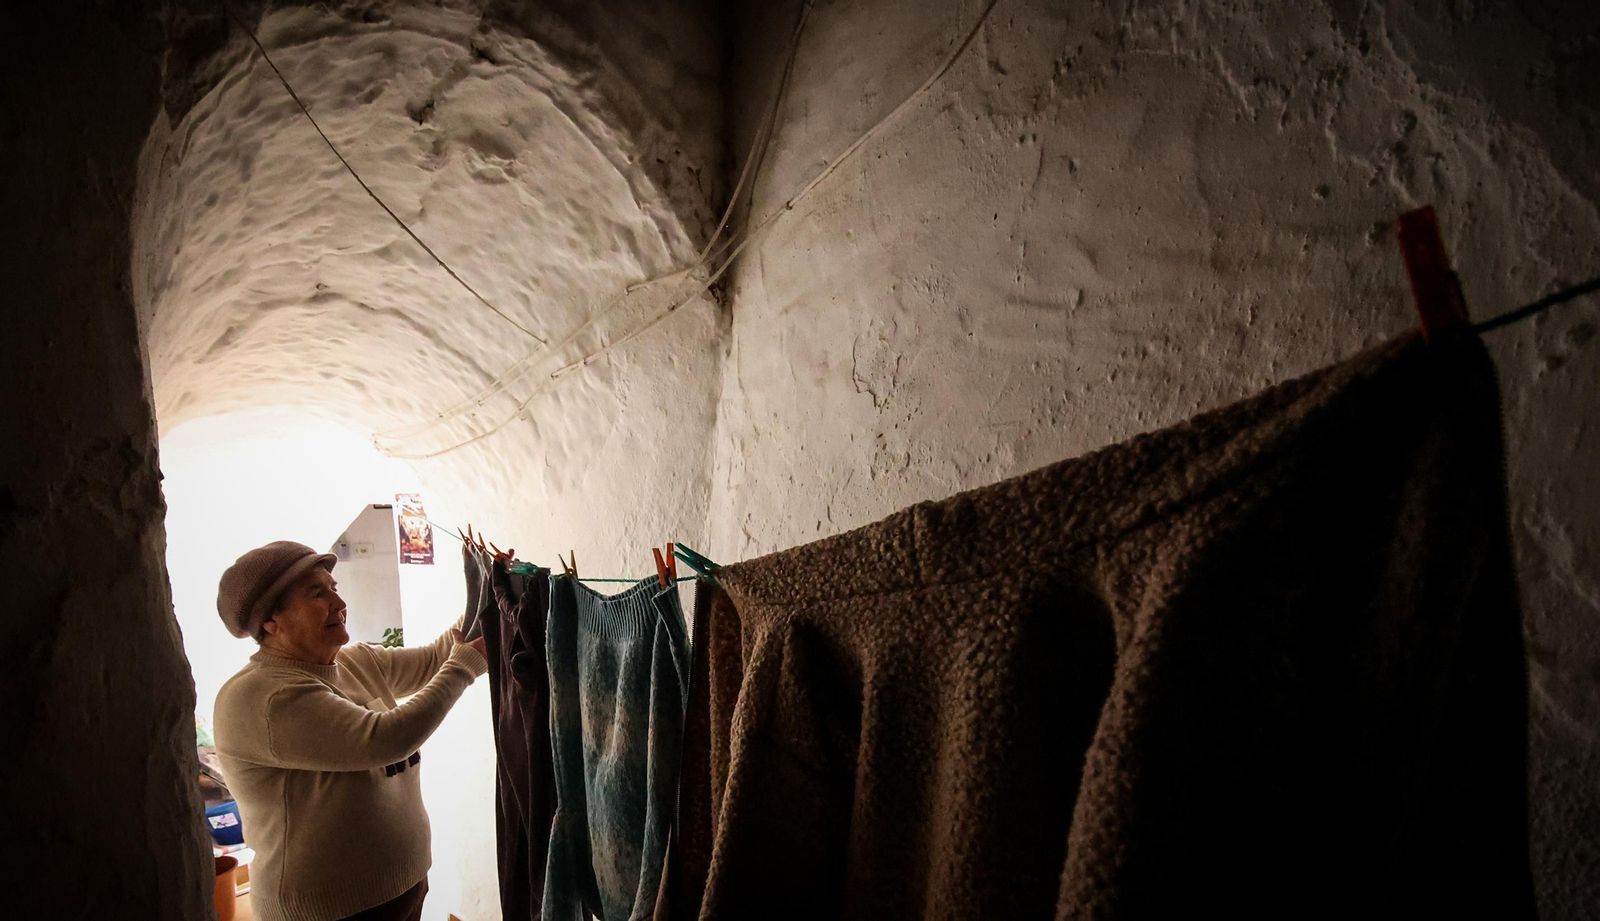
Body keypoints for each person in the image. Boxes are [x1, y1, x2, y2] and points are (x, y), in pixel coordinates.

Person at [212, 540, 487, 921]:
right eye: (316, 593)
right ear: (270, 621)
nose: (339, 604)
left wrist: (489, 596)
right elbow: (384, 739)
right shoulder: (264, 697)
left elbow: (433, 660)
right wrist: (465, 668)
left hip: (400, 887)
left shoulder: (354, 660)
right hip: (329, 910)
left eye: (333, 589)